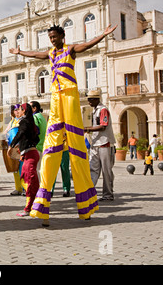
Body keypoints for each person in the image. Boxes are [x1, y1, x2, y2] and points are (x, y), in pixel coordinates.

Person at [10, 23, 117, 226]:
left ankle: (85, 205)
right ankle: (43, 206)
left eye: (54, 36)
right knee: (53, 141)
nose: (52, 40)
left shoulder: (70, 49)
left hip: (69, 95)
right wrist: (19, 51)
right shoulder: (50, 53)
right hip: (57, 96)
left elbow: (87, 45)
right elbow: (36, 54)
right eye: (49, 37)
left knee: (75, 142)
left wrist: (102, 35)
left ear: (62, 36)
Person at [8, 103, 40, 217]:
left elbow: (20, 133)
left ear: (24, 111)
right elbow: (37, 138)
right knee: (29, 181)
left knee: (29, 182)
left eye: (20, 109)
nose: (18, 111)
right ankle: (36, 204)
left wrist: (12, 145)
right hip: (30, 153)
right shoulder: (30, 122)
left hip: (30, 155)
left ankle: (29, 208)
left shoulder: (24, 122)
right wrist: (24, 147)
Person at [84, 90, 116, 202]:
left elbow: (103, 126)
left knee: (106, 171)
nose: (89, 102)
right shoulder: (95, 111)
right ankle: (89, 192)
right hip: (96, 143)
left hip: (105, 143)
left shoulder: (103, 110)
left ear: (97, 99)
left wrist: (87, 129)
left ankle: (108, 194)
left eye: (90, 99)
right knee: (93, 168)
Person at [4, 104, 23, 196]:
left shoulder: (23, 120)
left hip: (21, 147)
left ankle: (25, 187)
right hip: (13, 147)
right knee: (15, 169)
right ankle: (18, 187)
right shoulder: (12, 121)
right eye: (14, 110)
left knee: (22, 168)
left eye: (16, 110)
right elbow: (6, 132)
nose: (15, 112)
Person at [51, 133, 71, 197]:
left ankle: (66, 189)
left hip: (64, 148)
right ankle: (50, 189)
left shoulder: (66, 124)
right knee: (52, 170)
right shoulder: (51, 123)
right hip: (53, 147)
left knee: (64, 169)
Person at [30, 101, 47, 176]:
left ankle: (39, 187)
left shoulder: (34, 117)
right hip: (43, 145)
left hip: (37, 146)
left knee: (36, 169)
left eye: (29, 107)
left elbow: (35, 131)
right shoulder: (41, 117)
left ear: (34, 108)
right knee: (42, 168)